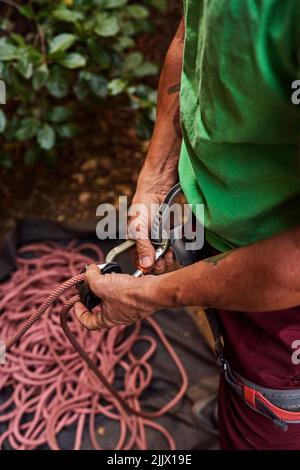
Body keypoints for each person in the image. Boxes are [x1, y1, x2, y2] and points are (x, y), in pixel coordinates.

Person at [75, 0, 300, 449]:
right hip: (231, 241)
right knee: (237, 375)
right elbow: (192, 31)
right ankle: (235, 388)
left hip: (284, 301)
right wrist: (157, 174)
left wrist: (152, 296)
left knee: (264, 424)